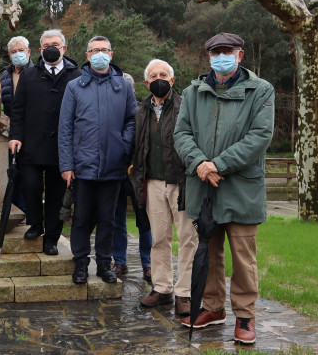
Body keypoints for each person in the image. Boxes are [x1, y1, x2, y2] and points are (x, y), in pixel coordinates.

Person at [175, 33, 274, 344]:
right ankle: (213, 308)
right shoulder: (193, 91)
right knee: (208, 252)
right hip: (203, 187)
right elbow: (182, 133)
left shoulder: (260, 90)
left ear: (239, 55)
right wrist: (200, 164)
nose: (221, 56)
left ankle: (245, 316)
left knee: (243, 257)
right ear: (208, 57)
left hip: (241, 189)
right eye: (216, 52)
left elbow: (259, 137)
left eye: (227, 51)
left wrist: (217, 164)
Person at [58, 36, 136, 283]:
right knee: (81, 218)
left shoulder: (124, 87)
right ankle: (80, 263)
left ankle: (105, 264)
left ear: (111, 54)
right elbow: (65, 128)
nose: (100, 54)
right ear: (88, 54)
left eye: (104, 50)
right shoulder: (75, 86)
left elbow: (132, 120)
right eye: (95, 50)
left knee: (108, 219)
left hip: (114, 166)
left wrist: (122, 146)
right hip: (82, 166)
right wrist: (67, 165)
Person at [130, 60, 198, 316]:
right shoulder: (140, 110)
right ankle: (162, 288)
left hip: (182, 181)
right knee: (159, 238)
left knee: (188, 238)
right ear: (146, 83)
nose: (159, 79)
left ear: (173, 79)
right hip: (152, 182)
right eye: (153, 75)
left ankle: (185, 293)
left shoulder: (185, 107)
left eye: (163, 74)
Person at [8, 29, 80, 255]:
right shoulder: (28, 75)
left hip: (62, 148)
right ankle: (36, 223)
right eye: (47, 45)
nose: (51, 48)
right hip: (31, 144)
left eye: (56, 44)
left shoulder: (76, 76)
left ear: (64, 48)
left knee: (57, 197)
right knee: (30, 186)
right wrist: (15, 136)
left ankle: (51, 238)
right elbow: (17, 110)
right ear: (40, 50)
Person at [113, 72, 153, 283]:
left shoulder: (144, 111)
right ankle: (120, 261)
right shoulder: (111, 111)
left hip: (139, 173)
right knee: (116, 218)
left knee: (143, 219)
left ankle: (148, 264)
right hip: (116, 171)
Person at [0, 36, 33, 214]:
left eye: (21, 50)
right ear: (9, 55)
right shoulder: (4, 76)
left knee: (30, 179)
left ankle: (28, 215)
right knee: (13, 176)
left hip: (32, 134)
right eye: (14, 52)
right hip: (11, 134)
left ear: (28, 52)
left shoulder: (38, 72)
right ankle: (12, 213)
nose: (18, 54)